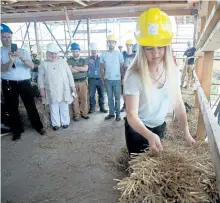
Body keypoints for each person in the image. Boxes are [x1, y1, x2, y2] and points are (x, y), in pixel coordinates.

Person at [124, 8, 196, 154]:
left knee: (156, 159)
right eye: (149, 48)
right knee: (138, 166)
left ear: (167, 47)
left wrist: (186, 132)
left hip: (159, 126)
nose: (156, 53)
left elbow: (178, 102)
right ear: (142, 49)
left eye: (160, 47)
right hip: (137, 129)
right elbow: (131, 115)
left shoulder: (173, 71)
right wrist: (149, 135)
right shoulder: (134, 76)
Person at [1, 24, 45, 141]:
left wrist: (22, 57)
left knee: (30, 105)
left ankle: (38, 126)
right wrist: (11, 60)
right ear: (1, 38)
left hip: (25, 82)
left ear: (12, 37)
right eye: (4, 37)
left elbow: (31, 66)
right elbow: (3, 69)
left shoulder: (23, 51)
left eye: (9, 37)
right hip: (9, 83)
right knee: (12, 108)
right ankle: (17, 130)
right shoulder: (0, 52)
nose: (7, 39)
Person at [38, 43, 76, 131]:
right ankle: (56, 124)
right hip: (51, 89)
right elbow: (40, 78)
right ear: (47, 53)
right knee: (53, 106)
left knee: (64, 105)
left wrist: (72, 86)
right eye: (51, 53)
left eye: (55, 53)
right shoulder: (43, 64)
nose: (53, 55)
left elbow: (69, 75)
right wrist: (41, 89)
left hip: (63, 88)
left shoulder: (63, 62)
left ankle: (65, 122)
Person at [100, 34, 124, 121]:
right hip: (108, 80)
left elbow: (122, 67)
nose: (111, 44)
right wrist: (103, 78)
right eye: (109, 42)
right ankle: (111, 113)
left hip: (117, 80)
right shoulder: (103, 54)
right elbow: (101, 67)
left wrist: (122, 78)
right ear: (107, 43)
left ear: (115, 43)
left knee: (117, 98)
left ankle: (118, 114)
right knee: (110, 98)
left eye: (112, 42)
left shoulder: (119, 54)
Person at [67, 43, 89, 121]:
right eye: (73, 51)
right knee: (75, 99)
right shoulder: (69, 60)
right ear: (71, 52)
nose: (75, 53)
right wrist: (80, 69)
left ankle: (84, 113)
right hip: (74, 83)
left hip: (83, 82)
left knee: (84, 98)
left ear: (79, 51)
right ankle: (76, 115)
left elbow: (85, 69)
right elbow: (70, 70)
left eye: (76, 51)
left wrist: (75, 67)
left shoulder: (84, 60)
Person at [87, 42, 108, 114]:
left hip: (100, 79)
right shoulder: (88, 59)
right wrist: (88, 64)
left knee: (101, 94)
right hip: (91, 80)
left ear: (97, 51)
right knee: (91, 95)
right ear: (91, 51)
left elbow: (105, 68)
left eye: (95, 51)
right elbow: (85, 68)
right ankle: (92, 108)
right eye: (92, 51)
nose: (93, 52)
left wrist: (104, 77)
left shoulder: (101, 59)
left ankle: (102, 107)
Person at [121, 39, 136, 112]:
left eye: (130, 45)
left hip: (133, 77)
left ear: (132, 46)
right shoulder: (123, 54)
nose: (129, 47)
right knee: (124, 93)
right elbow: (121, 66)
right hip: (125, 76)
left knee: (132, 93)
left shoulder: (135, 55)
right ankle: (125, 105)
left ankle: (132, 107)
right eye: (127, 45)